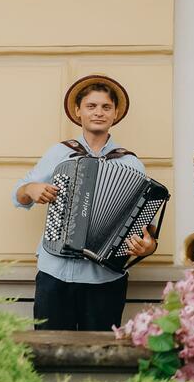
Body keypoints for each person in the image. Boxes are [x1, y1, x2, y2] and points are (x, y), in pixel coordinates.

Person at [13, 75, 157, 331]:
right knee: (50, 353)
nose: (98, 113)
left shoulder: (130, 163)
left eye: (106, 107)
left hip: (104, 279)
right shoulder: (59, 153)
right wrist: (31, 189)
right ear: (78, 111)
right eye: (91, 106)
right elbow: (19, 193)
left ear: (115, 113)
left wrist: (147, 246)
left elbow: (145, 227)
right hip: (54, 273)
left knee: (100, 358)